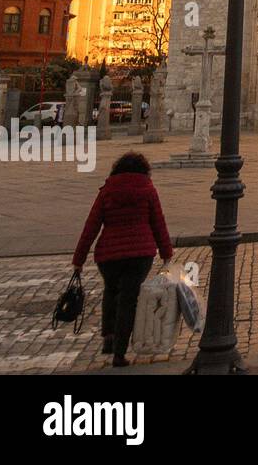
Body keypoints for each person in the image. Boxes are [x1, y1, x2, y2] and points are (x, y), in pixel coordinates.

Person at [71, 151, 174, 367]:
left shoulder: (107, 190)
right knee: (129, 299)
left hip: (109, 254)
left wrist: (78, 259)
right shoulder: (147, 189)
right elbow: (158, 222)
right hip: (139, 253)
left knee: (111, 291)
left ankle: (109, 335)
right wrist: (166, 253)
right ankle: (119, 351)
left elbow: (92, 225)